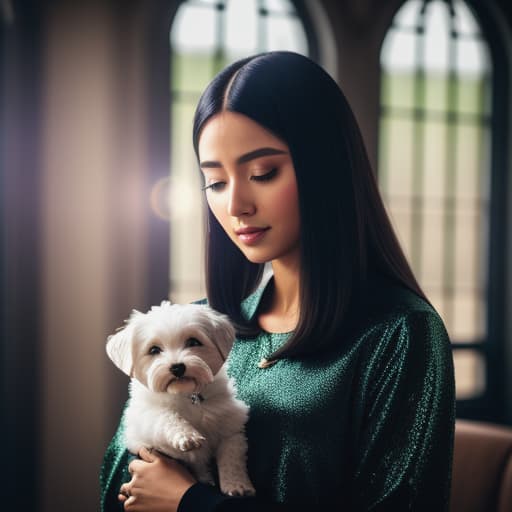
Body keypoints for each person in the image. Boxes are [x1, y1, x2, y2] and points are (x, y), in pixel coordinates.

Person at [100, 51, 455, 511]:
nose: (236, 205)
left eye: (263, 173)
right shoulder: (204, 328)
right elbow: (119, 483)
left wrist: (195, 504)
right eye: (216, 182)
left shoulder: (400, 335)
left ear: (325, 168)